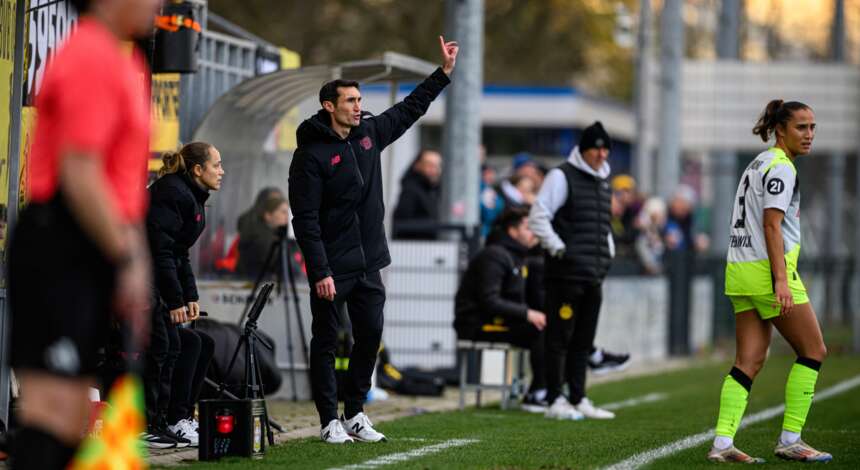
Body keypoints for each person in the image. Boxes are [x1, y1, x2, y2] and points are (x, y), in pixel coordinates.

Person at [6, 0, 159, 467]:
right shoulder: (89, 55)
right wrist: (128, 256)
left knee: (74, 418)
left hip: (93, 240)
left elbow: (121, 179)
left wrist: (133, 253)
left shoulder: (125, 57)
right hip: (60, 241)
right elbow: (80, 172)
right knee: (51, 413)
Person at [289, 35, 458, 444]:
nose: (358, 106)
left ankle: (355, 413)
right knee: (327, 342)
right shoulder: (310, 156)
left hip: (369, 264)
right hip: (332, 267)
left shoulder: (369, 134)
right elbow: (305, 219)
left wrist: (443, 74)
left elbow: (409, 110)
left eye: (359, 100)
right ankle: (328, 419)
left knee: (370, 336)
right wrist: (320, 270)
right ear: (329, 106)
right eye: (349, 101)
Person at [707, 100, 830, 463]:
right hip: (766, 273)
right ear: (781, 130)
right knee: (814, 351)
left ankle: (722, 444)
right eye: (801, 128)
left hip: (740, 271)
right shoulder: (781, 167)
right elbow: (771, 224)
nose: (809, 135)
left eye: (812, 127)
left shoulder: (757, 163)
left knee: (749, 360)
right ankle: (791, 439)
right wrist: (780, 280)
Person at [528, 121, 617, 421]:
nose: (603, 154)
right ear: (584, 149)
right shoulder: (560, 176)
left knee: (583, 340)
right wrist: (559, 249)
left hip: (593, 274)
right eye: (597, 148)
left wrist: (608, 254)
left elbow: (602, 226)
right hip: (565, 275)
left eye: (606, 149)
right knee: (559, 338)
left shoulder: (604, 182)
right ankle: (555, 399)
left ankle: (578, 397)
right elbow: (539, 217)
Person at [143, 142, 224, 448]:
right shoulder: (172, 193)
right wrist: (174, 300)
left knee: (201, 342)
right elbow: (160, 252)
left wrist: (190, 295)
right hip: (141, 285)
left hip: (158, 284)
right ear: (197, 170)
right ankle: (149, 423)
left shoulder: (190, 195)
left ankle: (177, 419)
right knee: (167, 344)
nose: (222, 171)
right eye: (216, 165)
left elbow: (180, 253)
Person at [453, 208, 547, 411]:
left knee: (554, 328)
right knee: (541, 331)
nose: (534, 232)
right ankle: (538, 393)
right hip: (477, 324)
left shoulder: (518, 256)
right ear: (512, 231)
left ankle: (547, 390)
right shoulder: (494, 255)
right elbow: (490, 301)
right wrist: (527, 314)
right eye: (528, 227)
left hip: (499, 322)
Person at [237, 195, 293, 278]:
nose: (287, 217)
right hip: (250, 279)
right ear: (268, 216)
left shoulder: (275, 234)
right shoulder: (260, 237)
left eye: (288, 213)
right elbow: (284, 265)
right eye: (283, 212)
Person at [392, 149, 443, 240]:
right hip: (414, 249)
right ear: (417, 166)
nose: (435, 170)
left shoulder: (433, 191)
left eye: (437, 166)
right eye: (430, 165)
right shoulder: (410, 191)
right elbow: (402, 224)